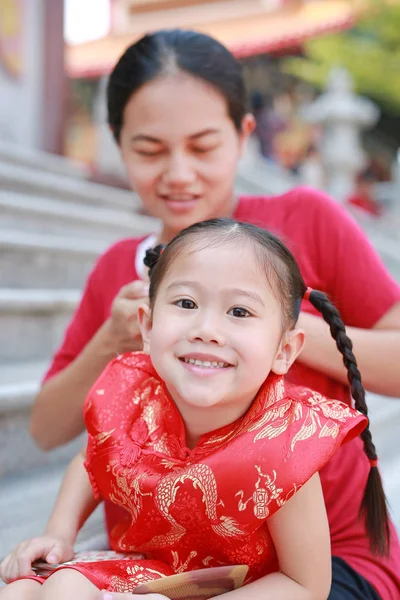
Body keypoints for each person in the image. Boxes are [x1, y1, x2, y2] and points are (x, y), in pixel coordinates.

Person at [28, 29, 400, 599]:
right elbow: (52, 430)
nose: (178, 174)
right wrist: (113, 340)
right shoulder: (115, 271)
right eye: (150, 150)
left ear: (243, 134)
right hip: (168, 561)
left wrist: (280, 328)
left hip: (323, 559)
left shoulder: (306, 220)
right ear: (117, 141)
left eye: (202, 146)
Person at [1, 218, 389, 599]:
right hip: (148, 569)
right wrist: (58, 534)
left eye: (239, 312)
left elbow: (305, 584)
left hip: (241, 589)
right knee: (32, 589)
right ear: (147, 326)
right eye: (186, 303)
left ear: (284, 350)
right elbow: (90, 462)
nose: (206, 329)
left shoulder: (283, 445)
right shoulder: (135, 395)